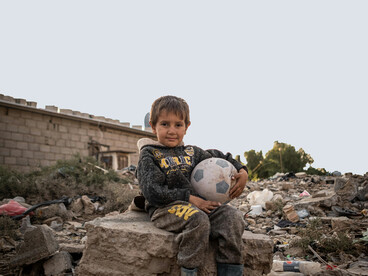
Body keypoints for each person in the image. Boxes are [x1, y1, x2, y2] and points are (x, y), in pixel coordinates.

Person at [136, 95, 248, 276]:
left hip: (198, 205)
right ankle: (189, 270)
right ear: (153, 125)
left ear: (187, 127)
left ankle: (231, 270)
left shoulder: (192, 152)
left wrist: (242, 171)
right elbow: (152, 191)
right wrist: (190, 199)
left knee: (233, 217)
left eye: (178, 125)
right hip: (165, 208)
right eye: (165, 124)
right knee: (198, 220)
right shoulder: (150, 155)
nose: (172, 130)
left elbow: (220, 156)